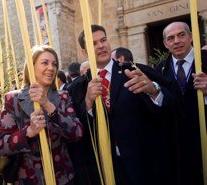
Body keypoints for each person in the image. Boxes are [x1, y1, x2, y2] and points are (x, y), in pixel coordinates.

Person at [68, 24, 175, 185]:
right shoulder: (77, 88)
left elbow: (170, 105)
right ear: (84, 52)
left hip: (142, 165)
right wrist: (88, 103)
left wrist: (154, 91)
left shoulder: (133, 72)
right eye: (94, 43)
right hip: (103, 170)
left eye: (103, 40)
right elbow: (76, 132)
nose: (101, 45)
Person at [0, 45, 83, 184]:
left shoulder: (63, 96)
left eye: (54, 64)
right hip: (29, 180)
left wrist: (48, 105)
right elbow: (3, 145)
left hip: (63, 178)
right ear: (31, 67)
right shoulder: (13, 100)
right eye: (45, 63)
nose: (51, 68)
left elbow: (77, 133)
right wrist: (29, 132)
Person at [155, 21, 207, 185]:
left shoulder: (205, 59)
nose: (176, 41)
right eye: (170, 38)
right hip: (177, 149)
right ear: (165, 44)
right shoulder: (159, 69)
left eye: (181, 35)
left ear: (191, 36)